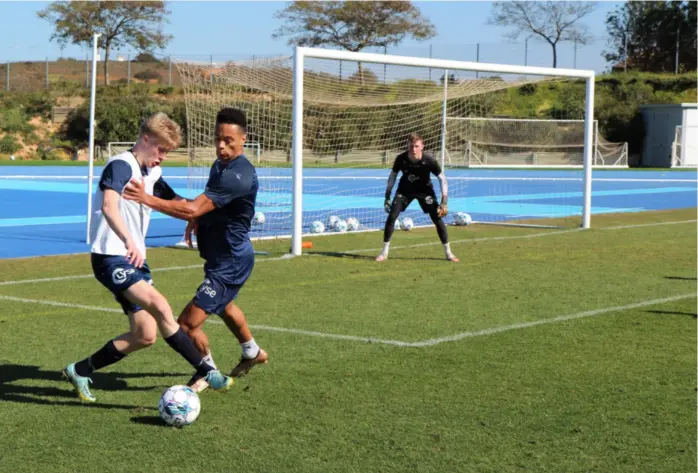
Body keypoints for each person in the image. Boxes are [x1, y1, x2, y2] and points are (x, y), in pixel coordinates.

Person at [63, 113, 233, 402]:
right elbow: (108, 205)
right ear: (144, 139)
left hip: (135, 260)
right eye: (161, 149)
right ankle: (206, 372)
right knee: (160, 306)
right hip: (111, 257)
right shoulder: (120, 165)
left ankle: (79, 370)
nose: (163, 157)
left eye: (167, 152)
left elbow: (175, 199)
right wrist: (128, 238)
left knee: (145, 335)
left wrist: (195, 216)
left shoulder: (151, 173)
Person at [123, 107, 268, 393]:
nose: (221, 146)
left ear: (244, 139)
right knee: (224, 305)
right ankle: (252, 352)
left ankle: (206, 373)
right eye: (217, 139)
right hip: (219, 256)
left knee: (186, 325)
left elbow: (192, 206)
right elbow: (203, 207)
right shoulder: (220, 166)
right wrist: (197, 219)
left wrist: (146, 198)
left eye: (228, 140)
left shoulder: (238, 175)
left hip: (231, 260)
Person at [376, 133, 459, 263]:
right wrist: (387, 194)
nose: (413, 149)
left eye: (416, 146)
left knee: (437, 218)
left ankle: (448, 253)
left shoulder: (429, 160)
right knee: (392, 216)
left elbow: (442, 179)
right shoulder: (401, 159)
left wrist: (444, 202)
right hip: (404, 192)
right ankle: (384, 253)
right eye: (411, 146)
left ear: (422, 147)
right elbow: (393, 175)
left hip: (425, 192)